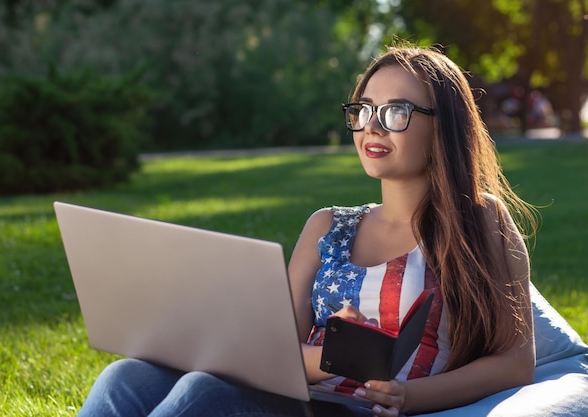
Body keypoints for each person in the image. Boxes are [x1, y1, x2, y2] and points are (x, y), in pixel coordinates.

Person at [76, 44, 538, 417]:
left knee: (203, 393)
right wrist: (335, 354)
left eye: (396, 112)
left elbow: (515, 362)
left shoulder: (479, 223)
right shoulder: (328, 225)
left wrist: (409, 397)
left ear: (443, 128)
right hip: (305, 394)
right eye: (364, 109)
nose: (371, 128)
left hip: (363, 410)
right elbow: (278, 351)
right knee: (126, 377)